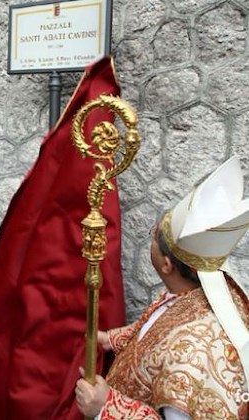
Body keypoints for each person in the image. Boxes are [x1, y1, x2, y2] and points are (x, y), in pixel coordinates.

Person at [75, 156, 249, 419]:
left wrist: (104, 407)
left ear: (166, 265)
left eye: (153, 237)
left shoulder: (190, 362)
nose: (151, 240)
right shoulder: (207, 289)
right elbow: (158, 326)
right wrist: (109, 339)